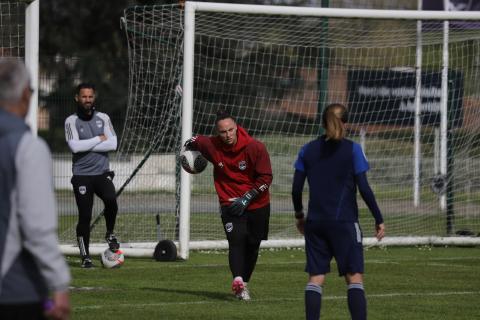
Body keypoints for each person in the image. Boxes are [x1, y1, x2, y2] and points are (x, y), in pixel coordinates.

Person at [291, 103, 385, 320]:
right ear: (346, 123)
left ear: (323, 123)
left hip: (315, 223)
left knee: (315, 279)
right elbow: (364, 189)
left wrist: (300, 216)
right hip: (345, 223)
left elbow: (296, 189)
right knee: (354, 278)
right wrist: (378, 218)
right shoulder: (353, 149)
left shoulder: (307, 149)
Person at [0, 58, 71, 320]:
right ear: (25, 94)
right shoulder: (28, 148)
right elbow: (36, 226)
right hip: (14, 286)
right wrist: (60, 282)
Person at [184, 110, 272, 301]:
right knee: (236, 240)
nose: (228, 135)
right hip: (229, 202)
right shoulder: (211, 145)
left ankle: (244, 283)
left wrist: (247, 198)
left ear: (237, 127)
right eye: (223, 132)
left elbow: (266, 178)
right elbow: (195, 139)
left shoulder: (255, 147)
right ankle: (238, 282)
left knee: (253, 245)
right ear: (218, 132)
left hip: (258, 203)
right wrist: (187, 147)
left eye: (231, 130)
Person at [65, 83, 119, 268]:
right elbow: (74, 147)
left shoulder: (103, 118)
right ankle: (85, 256)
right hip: (81, 176)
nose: (87, 100)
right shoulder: (71, 121)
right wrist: (98, 139)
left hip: (101, 173)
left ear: (94, 98)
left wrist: (86, 144)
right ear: (77, 98)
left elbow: (113, 144)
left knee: (111, 199)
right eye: (84, 97)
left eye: (90, 96)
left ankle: (110, 232)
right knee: (85, 215)